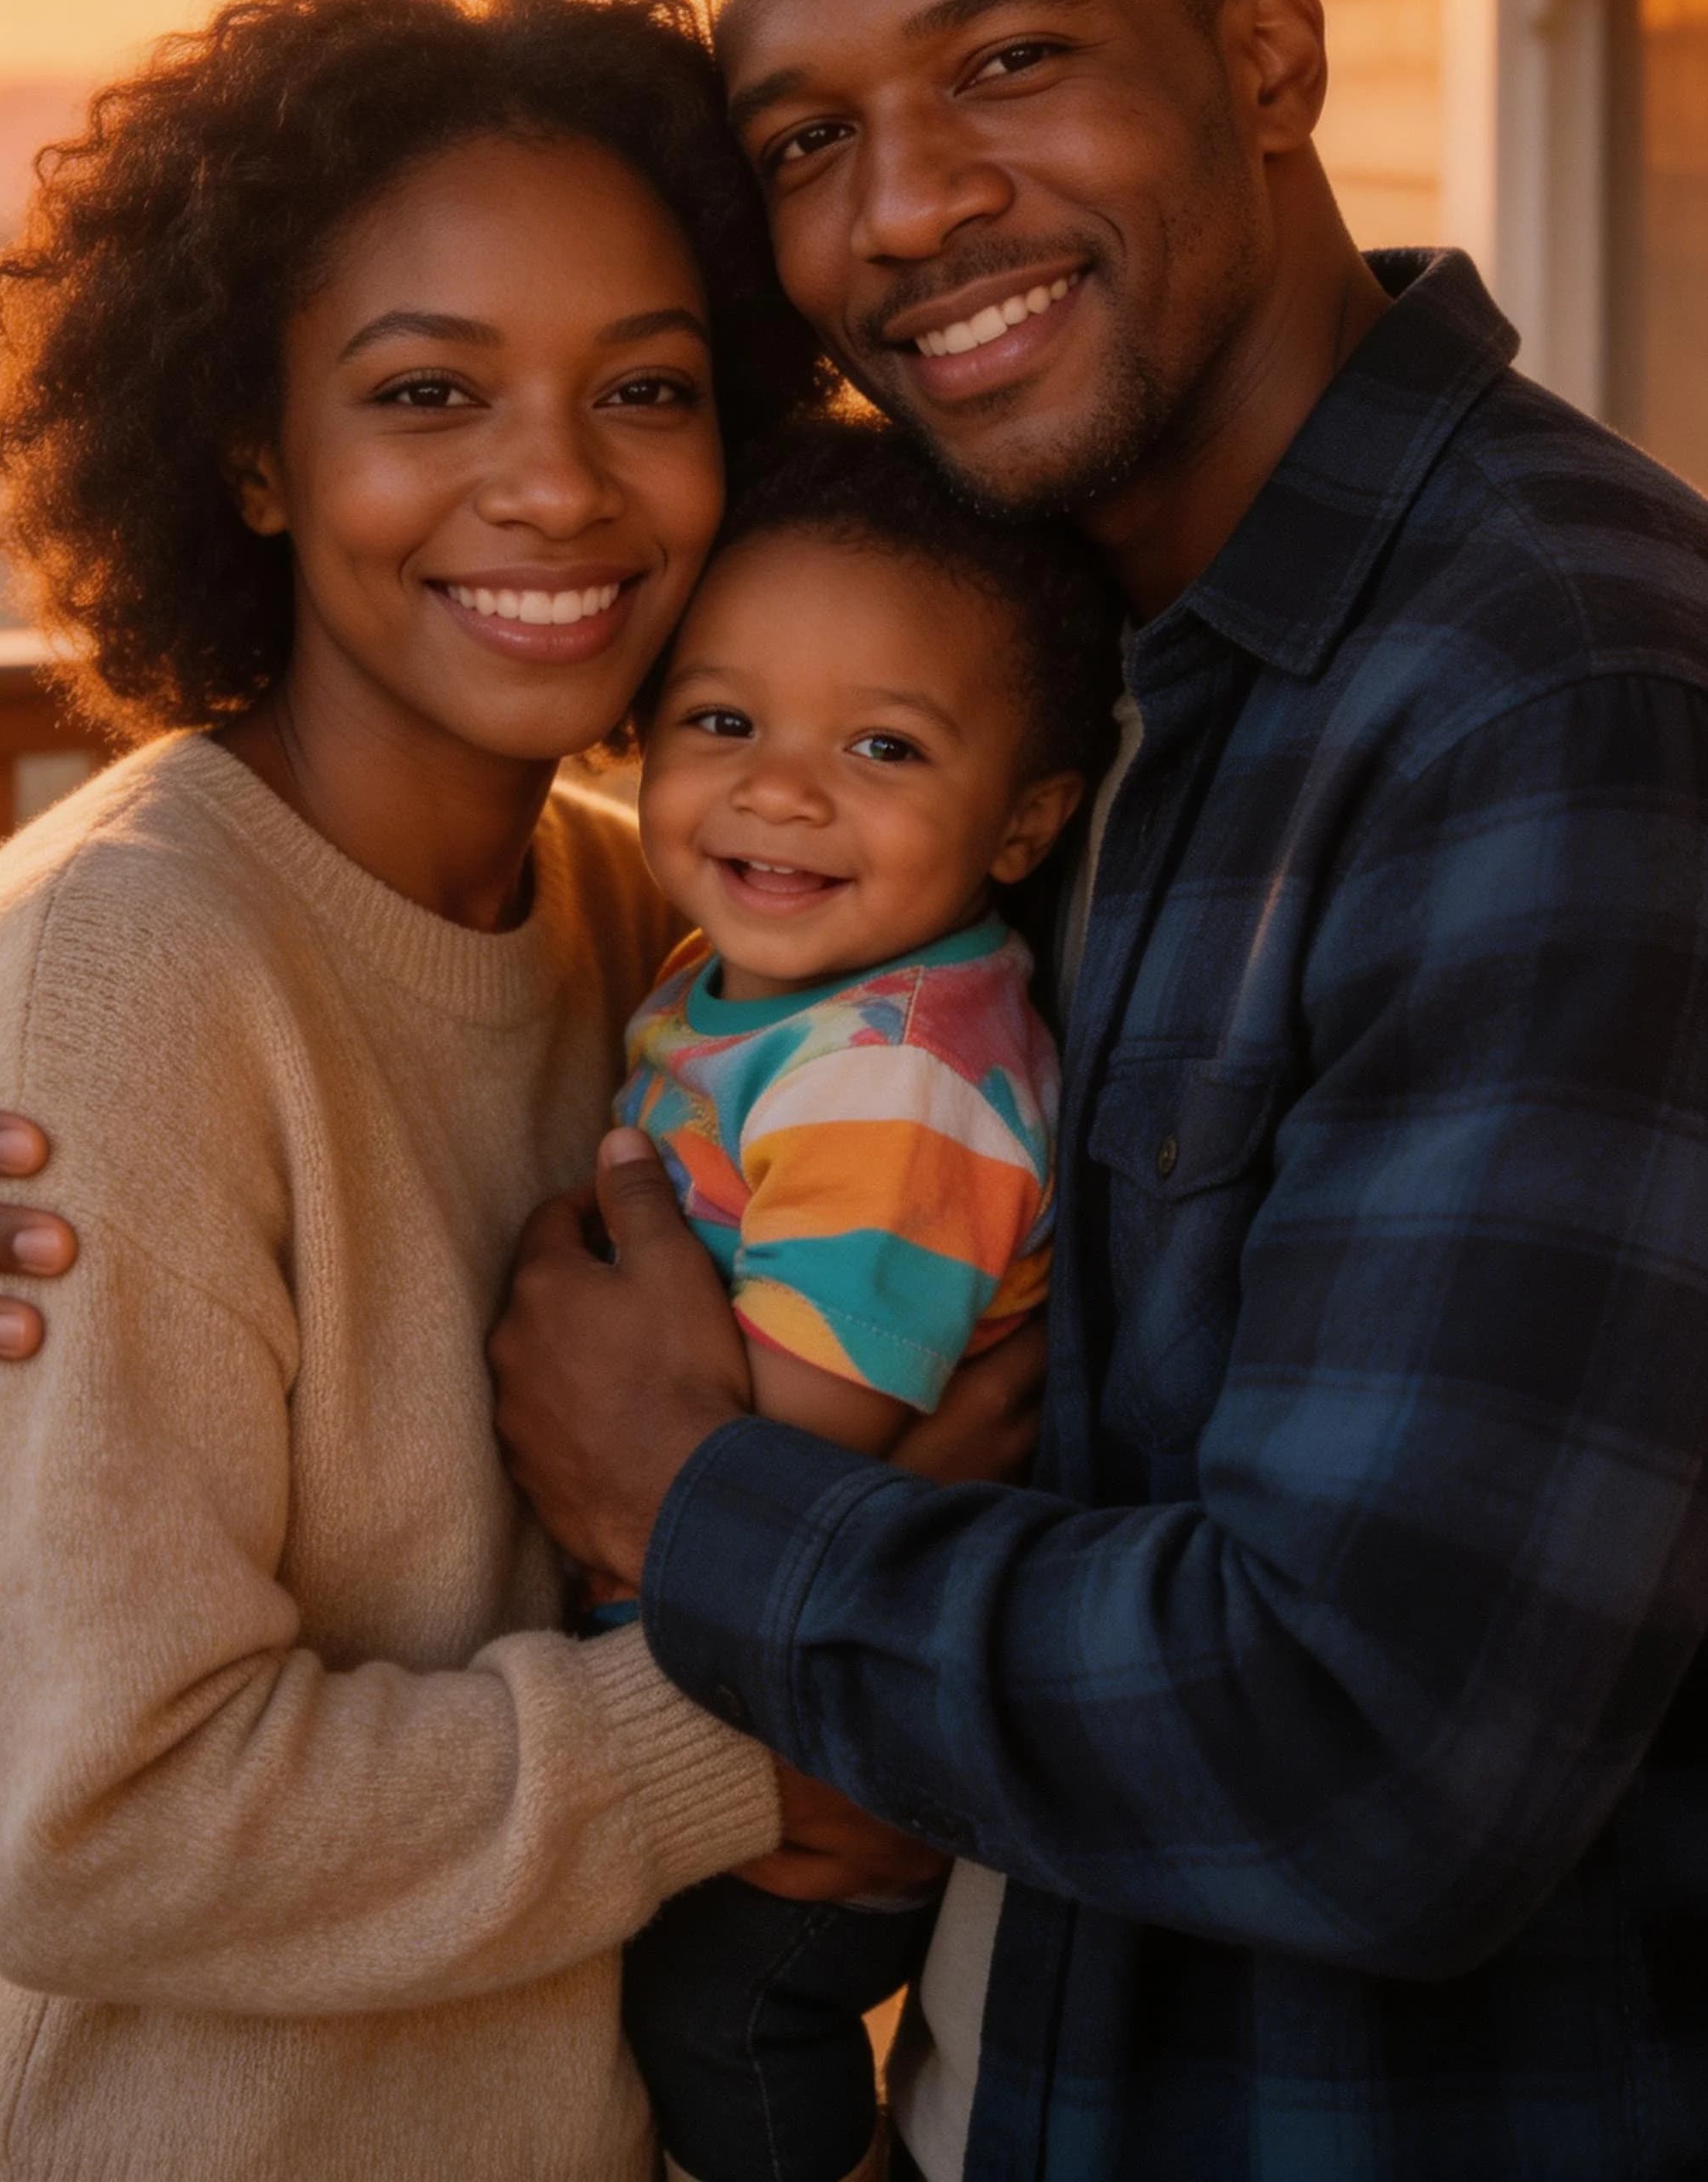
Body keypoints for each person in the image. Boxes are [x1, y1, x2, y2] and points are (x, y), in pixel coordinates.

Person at [0, 0, 1708, 2177]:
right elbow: (93, 1792)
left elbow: (1385, 1745)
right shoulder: (1036, 736)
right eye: (808, 140)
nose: (907, 209)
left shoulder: (1531, 693)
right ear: (250, 449)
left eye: (1005, 59)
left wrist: (702, 1527)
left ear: (1269, 54)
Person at [0, 0, 889, 2182]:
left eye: (648, 387)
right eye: (428, 395)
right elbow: (85, 1828)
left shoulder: (655, 933)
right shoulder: (120, 978)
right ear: (249, 447)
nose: (560, 491)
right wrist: (765, 1733)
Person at [606, 419, 1121, 2182]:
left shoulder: (894, 1076)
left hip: (831, 1764)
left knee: (724, 2026)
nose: (781, 789)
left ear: (1027, 819)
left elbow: (789, 1454)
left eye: (883, 746)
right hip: (762, 1701)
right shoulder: (769, 978)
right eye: (723, 721)